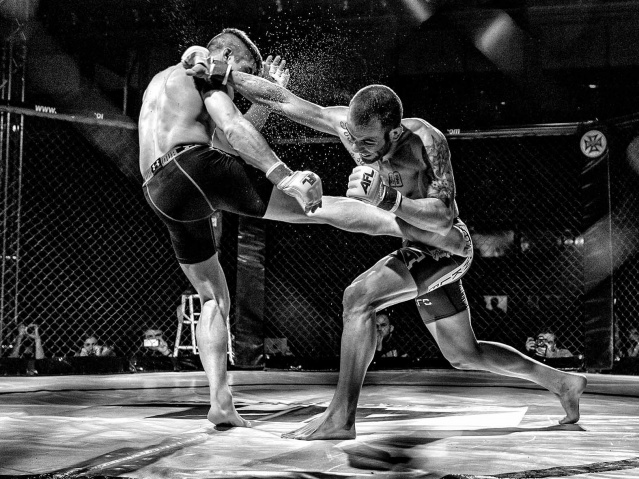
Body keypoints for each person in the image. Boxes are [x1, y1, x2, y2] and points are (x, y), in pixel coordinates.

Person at [190, 66, 588, 439]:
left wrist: (388, 198)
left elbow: (444, 218)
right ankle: (562, 382)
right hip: (417, 248)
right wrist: (224, 74)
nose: (360, 150)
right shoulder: (350, 128)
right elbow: (282, 99)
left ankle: (341, 417)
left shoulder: (425, 141)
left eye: (369, 142)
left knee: (358, 298)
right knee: (464, 354)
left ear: (394, 132)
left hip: (446, 248)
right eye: (354, 138)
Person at [140, 29, 468, 429]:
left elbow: (247, 125)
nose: (245, 79)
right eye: (246, 69)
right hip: (196, 166)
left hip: (159, 189)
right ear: (225, 53)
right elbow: (234, 129)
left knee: (213, 297)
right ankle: (427, 234)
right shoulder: (205, 69)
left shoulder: (161, 82)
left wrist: (262, 90)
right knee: (313, 206)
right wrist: (284, 176)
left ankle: (220, 401)